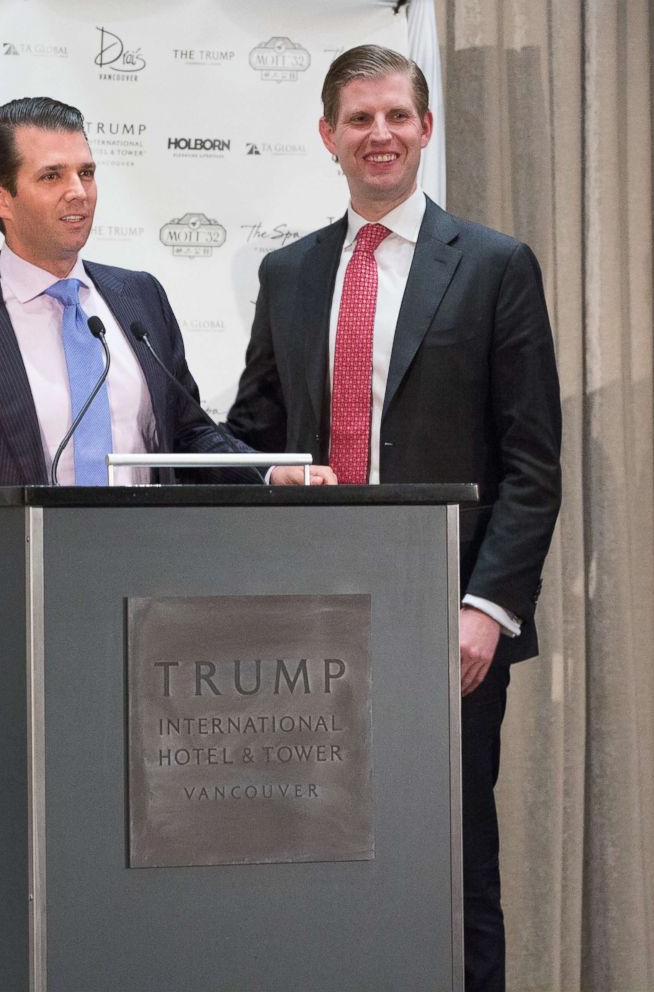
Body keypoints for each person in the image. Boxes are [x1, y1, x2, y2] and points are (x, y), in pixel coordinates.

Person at [224, 45, 561, 992]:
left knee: (453, 865)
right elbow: (254, 437)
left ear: (423, 130)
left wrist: (485, 611)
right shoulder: (288, 273)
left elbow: (533, 465)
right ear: (327, 136)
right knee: (312, 855)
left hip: (441, 623)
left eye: (398, 117)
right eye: (360, 119)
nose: (381, 135)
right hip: (305, 619)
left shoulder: (496, 266)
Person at [0, 97, 331, 535]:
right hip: (19, 588)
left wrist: (266, 470)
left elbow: (188, 432)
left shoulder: (140, 298)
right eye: (52, 176)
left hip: (150, 580)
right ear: (1, 199)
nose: (79, 191)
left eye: (87, 173)